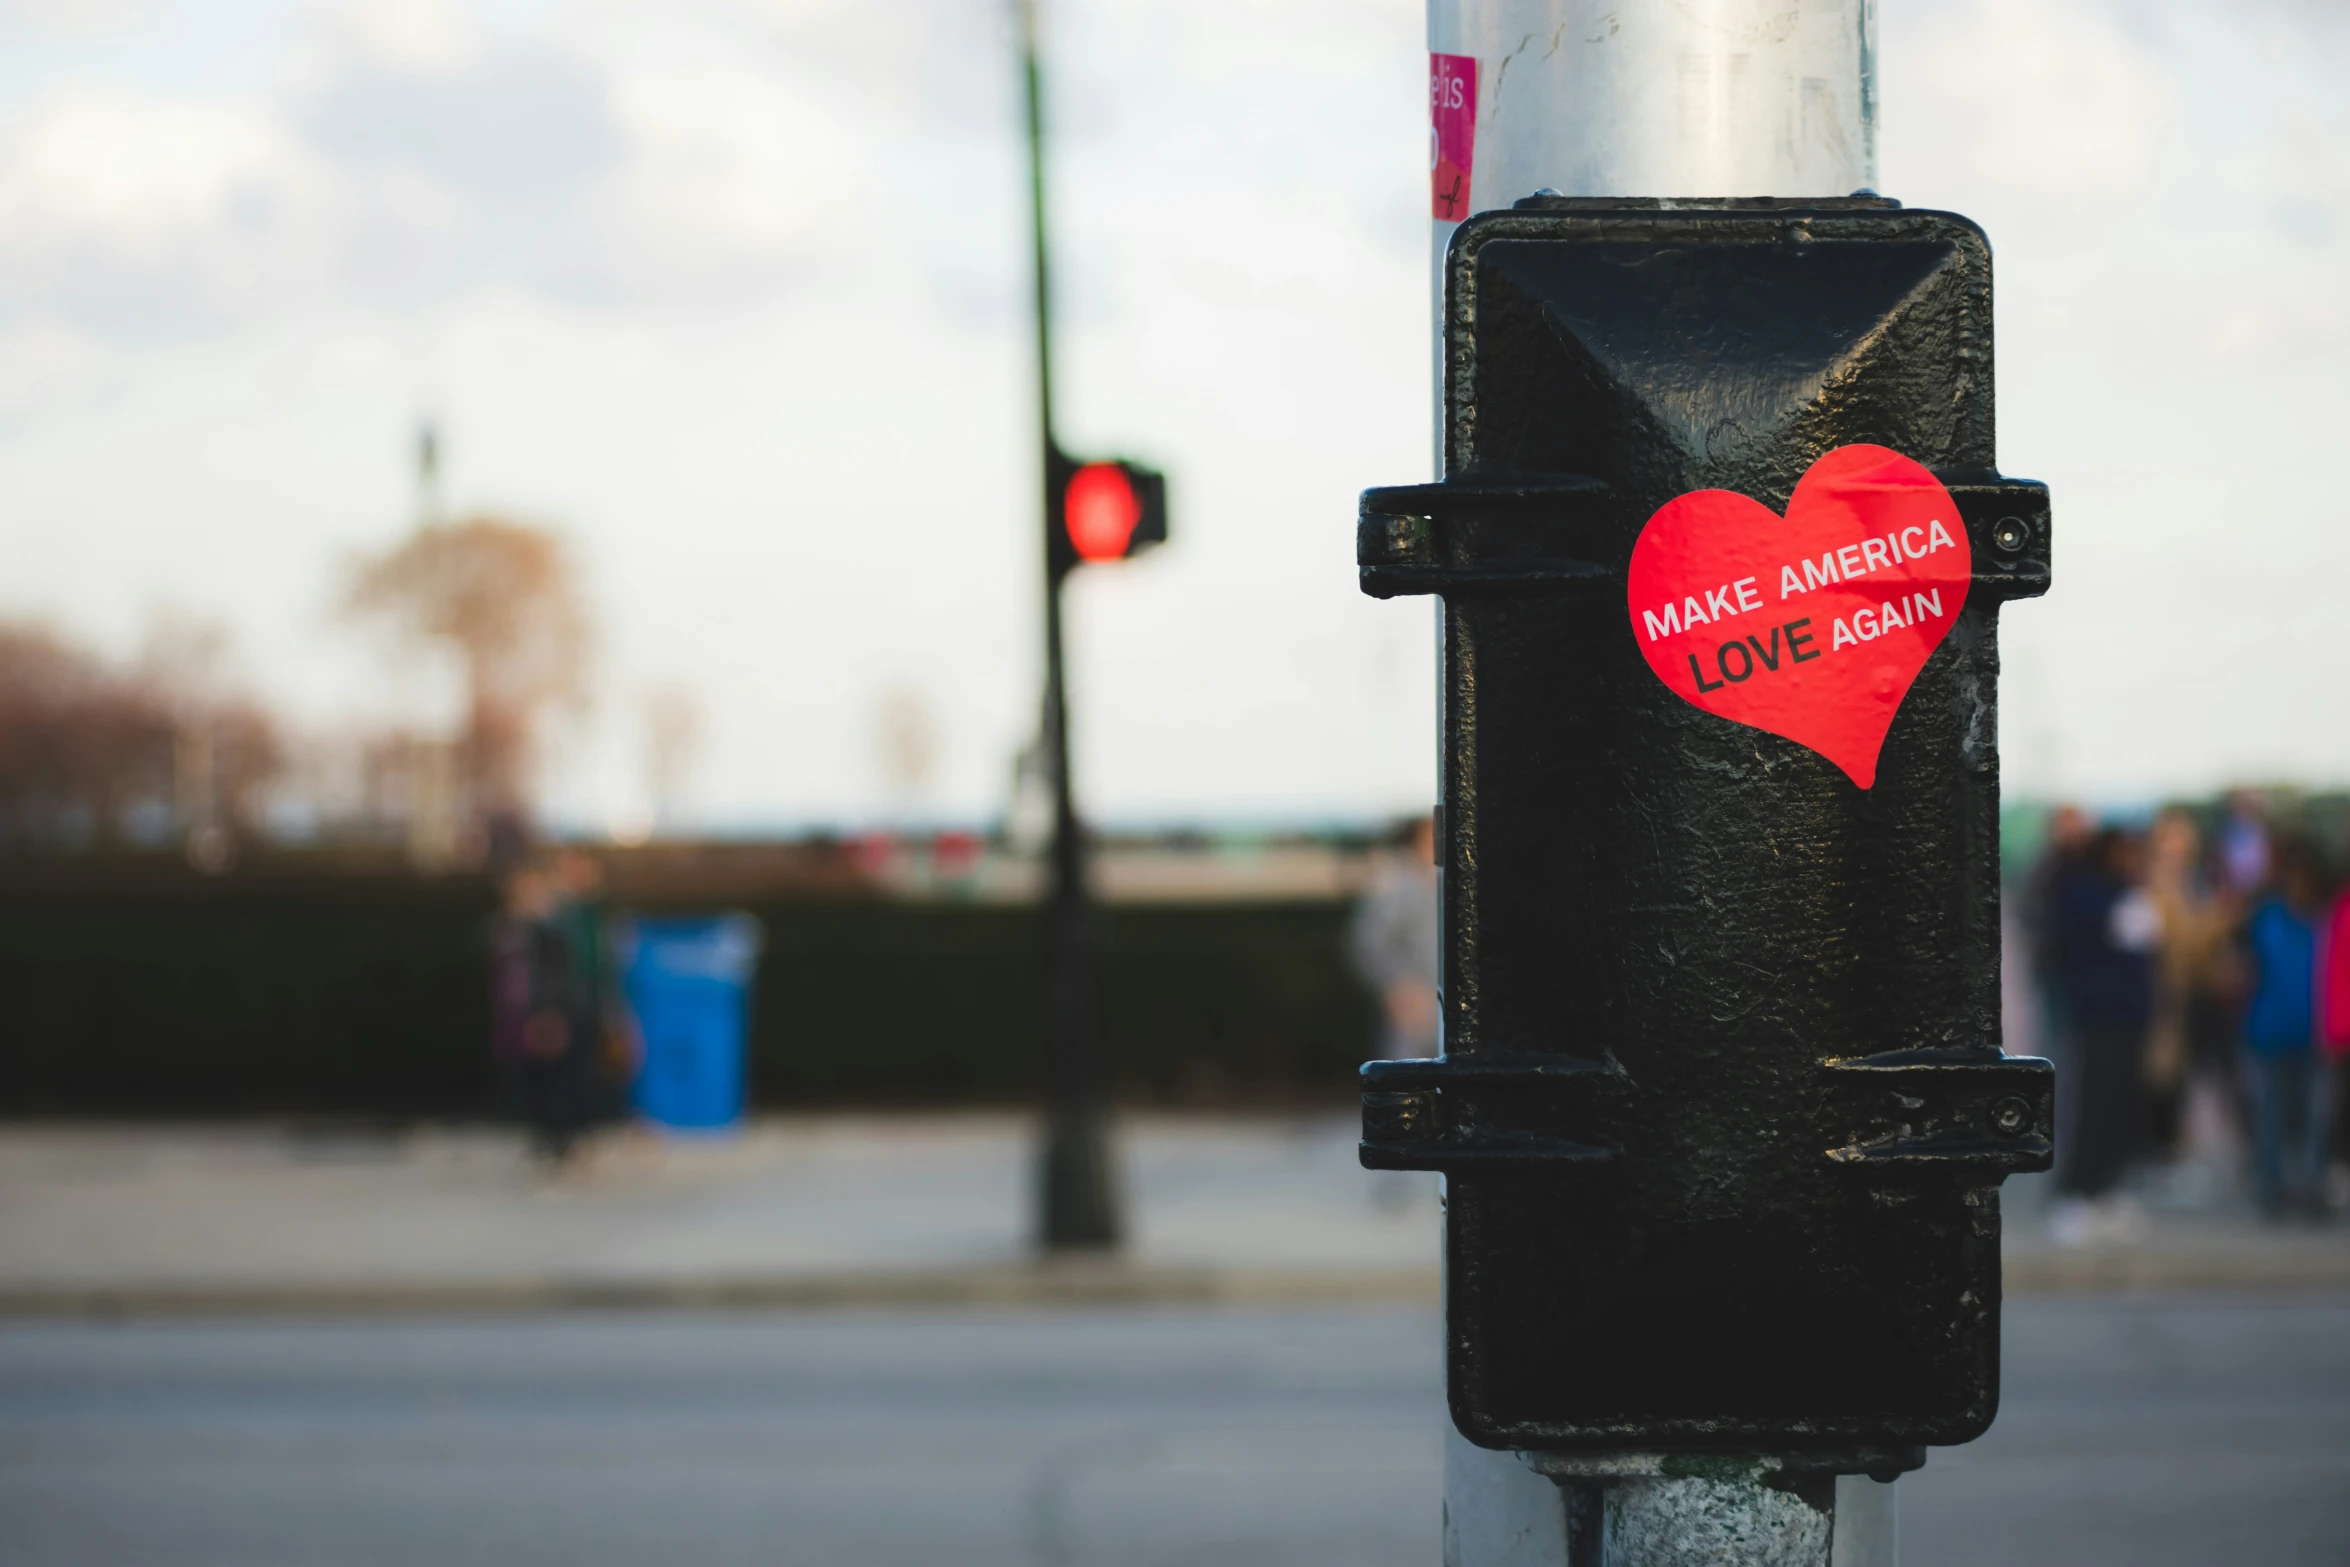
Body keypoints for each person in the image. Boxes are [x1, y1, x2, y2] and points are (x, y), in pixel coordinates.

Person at [2047, 825, 2157, 1245]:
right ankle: (2074, 1195)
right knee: (2094, 1104)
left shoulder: (2129, 891)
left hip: (2130, 1017)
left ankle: (2106, 1190)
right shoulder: (2082, 892)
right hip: (2098, 1018)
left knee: (2122, 1106)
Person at [2239, 839, 2328, 1219]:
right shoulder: (2266, 918)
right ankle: (2272, 1187)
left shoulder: (2324, 920)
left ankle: (2312, 1186)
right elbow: (2243, 971)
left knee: (2313, 1116)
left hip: (2316, 1033)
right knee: (2274, 1115)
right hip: (2272, 1032)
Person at [2144, 807, 2236, 1170]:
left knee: (2204, 1074)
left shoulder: (2197, 880)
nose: (2178, 848)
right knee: (2169, 1080)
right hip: (2172, 996)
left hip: (2201, 995)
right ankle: (2165, 1155)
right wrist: (2219, 918)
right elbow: (2181, 940)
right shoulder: (2158, 884)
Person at [1352, 815, 1440, 1059]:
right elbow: (1368, 943)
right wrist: (1398, 987)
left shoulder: (1452, 881)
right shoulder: (1395, 882)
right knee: (1407, 1082)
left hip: (1449, 1010)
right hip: (1415, 1007)